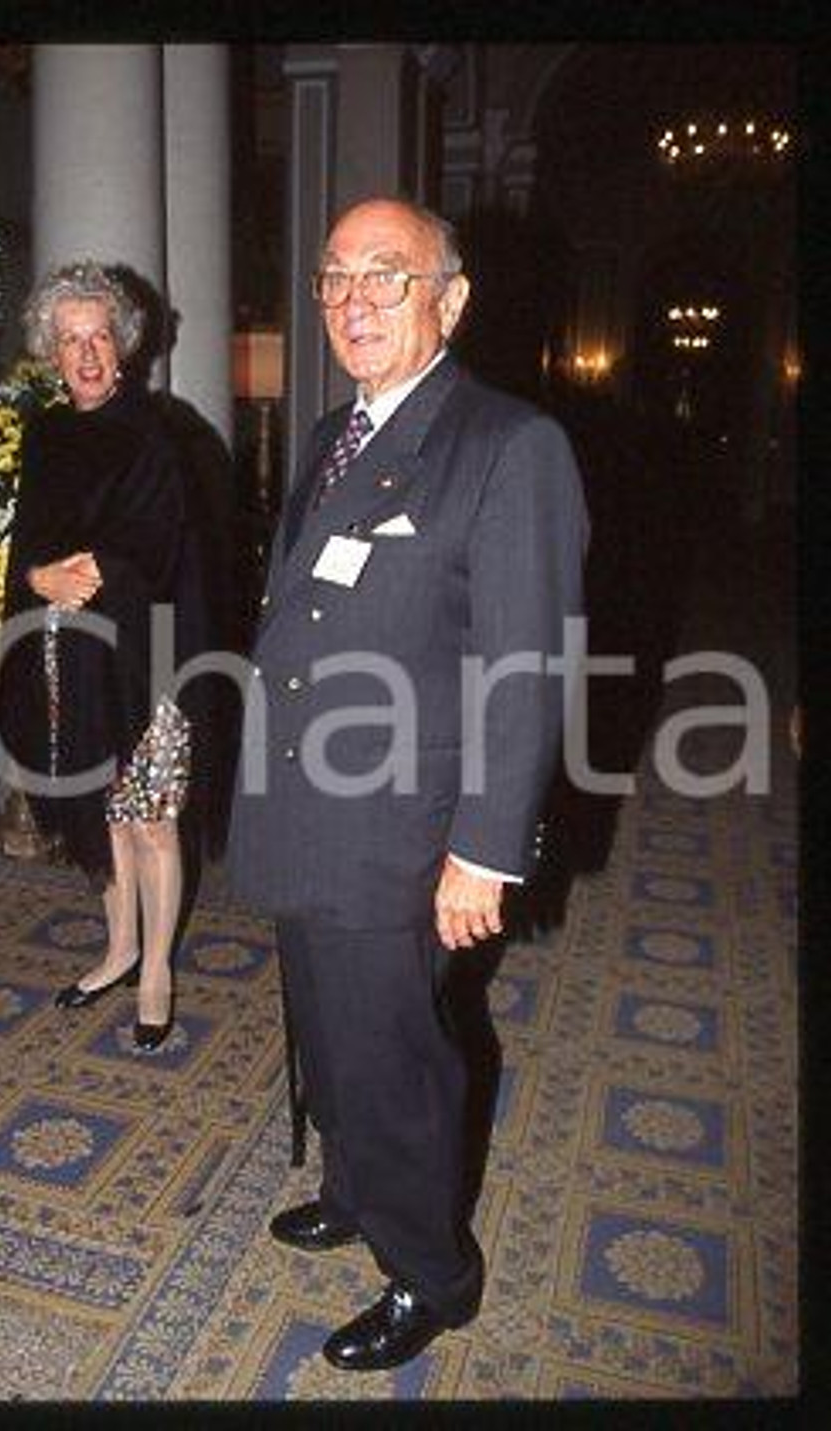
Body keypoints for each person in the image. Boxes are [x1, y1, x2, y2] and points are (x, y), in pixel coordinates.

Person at [226, 197, 589, 1371]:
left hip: (400, 823)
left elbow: (525, 667)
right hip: (307, 805)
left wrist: (484, 850)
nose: (352, 302)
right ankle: (352, 1183)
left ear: (452, 298)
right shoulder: (343, 433)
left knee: (393, 1056)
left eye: (387, 276)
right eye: (334, 278)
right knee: (331, 1037)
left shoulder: (504, 445)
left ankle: (429, 1271)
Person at [0, 260, 195, 1053]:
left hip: (143, 658)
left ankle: (156, 972)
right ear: (51, 351)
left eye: (100, 336)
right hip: (66, 653)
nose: (86, 354)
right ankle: (117, 947)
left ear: (125, 345)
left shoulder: (158, 432)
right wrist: (39, 574)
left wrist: (96, 570)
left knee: (150, 819)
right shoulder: (44, 432)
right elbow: (28, 539)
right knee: (100, 808)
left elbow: (165, 541)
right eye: (70, 340)